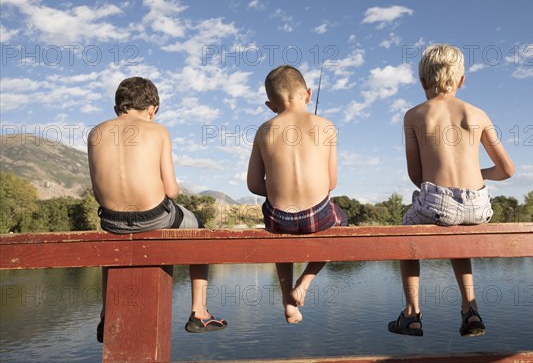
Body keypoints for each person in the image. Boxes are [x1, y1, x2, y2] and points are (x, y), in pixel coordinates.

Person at [388, 44, 515, 337]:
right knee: (459, 234)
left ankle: (411, 314)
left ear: (422, 81)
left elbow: (416, 176)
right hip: (479, 205)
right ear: (461, 80)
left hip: (438, 200)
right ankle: (470, 309)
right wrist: (474, 175)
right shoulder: (478, 114)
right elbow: (507, 170)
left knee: (405, 234)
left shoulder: (415, 115)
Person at [88, 77, 226, 342]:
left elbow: (97, 192)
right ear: (152, 108)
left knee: (112, 249)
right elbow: (171, 191)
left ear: (118, 105)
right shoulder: (158, 130)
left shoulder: (96, 132)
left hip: (111, 221)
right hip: (154, 217)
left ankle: (107, 315)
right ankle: (200, 312)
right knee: (197, 227)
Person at [247, 65, 348, 323]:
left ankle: (287, 302)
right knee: (342, 222)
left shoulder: (263, 130)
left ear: (271, 105)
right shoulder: (326, 126)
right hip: (319, 216)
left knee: (281, 239)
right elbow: (331, 183)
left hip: (280, 218)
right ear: (309, 94)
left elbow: (253, 185)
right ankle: (305, 282)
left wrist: (276, 190)